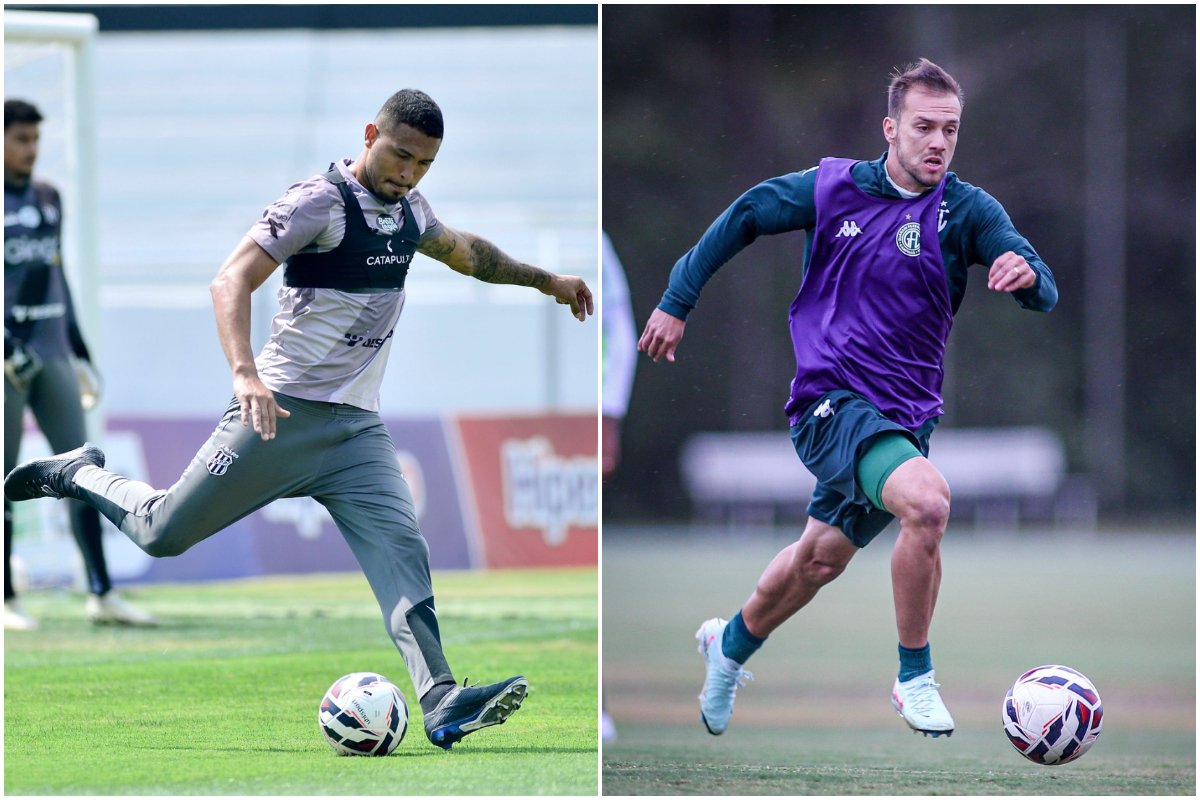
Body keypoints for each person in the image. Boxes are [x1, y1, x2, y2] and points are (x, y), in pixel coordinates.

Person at [5, 89, 593, 749]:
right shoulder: (317, 203)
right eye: (400, 155)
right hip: (278, 415)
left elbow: (469, 254)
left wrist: (547, 281)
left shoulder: (411, 212)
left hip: (357, 431)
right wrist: (244, 374)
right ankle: (76, 473)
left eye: (424, 164)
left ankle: (440, 698)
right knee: (160, 532)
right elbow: (229, 281)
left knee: (403, 551)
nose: (409, 173)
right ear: (369, 135)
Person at [637, 59, 1057, 739]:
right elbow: (748, 212)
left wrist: (1028, 275)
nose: (939, 142)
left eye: (951, 129)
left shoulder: (967, 211)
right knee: (928, 503)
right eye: (924, 127)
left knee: (819, 560)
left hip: (905, 422)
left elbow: (1043, 286)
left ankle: (729, 645)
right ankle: (914, 677)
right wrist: (677, 299)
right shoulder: (834, 189)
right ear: (890, 128)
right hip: (828, 404)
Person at [4, 99, 157, 630]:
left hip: (52, 351)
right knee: (4, 476)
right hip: (7, 360)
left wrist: (80, 349)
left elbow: (58, 274)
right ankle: (5, 600)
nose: (31, 149)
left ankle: (101, 593)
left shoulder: (49, 197)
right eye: (20, 138)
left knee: (81, 470)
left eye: (35, 139)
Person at [599, 231, 639, 744]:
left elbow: (619, 326)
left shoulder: (597, 240)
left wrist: (609, 415)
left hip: (587, 412)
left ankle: (600, 702)